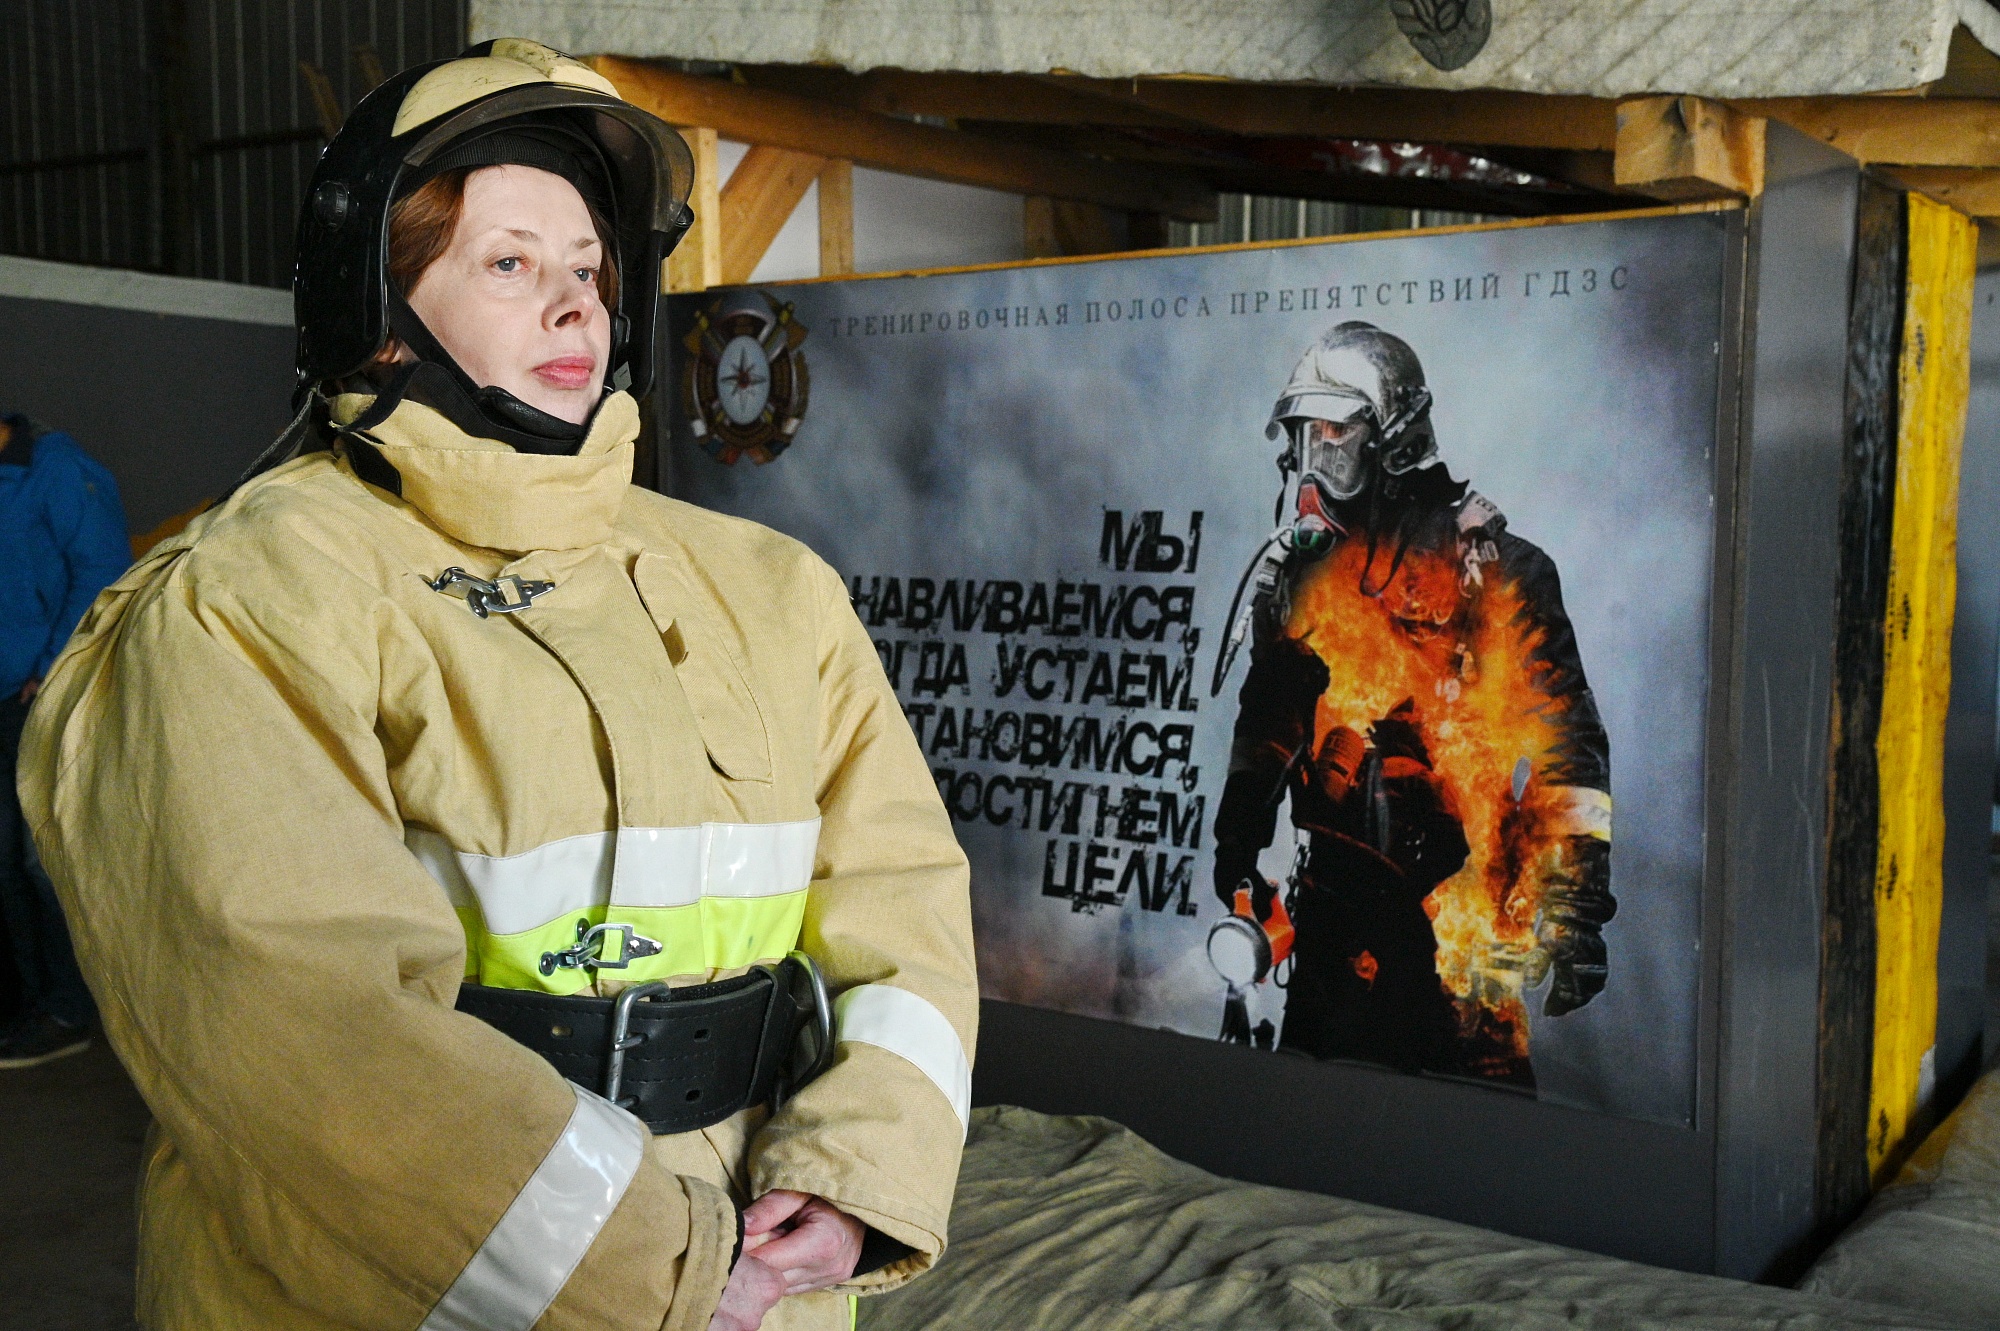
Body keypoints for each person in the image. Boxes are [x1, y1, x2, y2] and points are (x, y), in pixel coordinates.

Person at [20, 40, 975, 1331]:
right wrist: (668, 1275)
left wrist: (860, 1172)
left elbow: (905, 903)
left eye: (588, 267)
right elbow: (309, 1028)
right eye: (512, 264)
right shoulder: (251, 597)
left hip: (773, 1280)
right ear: (379, 305)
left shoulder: (769, 585)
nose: (577, 307)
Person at [1209, 321, 1611, 1087]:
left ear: (1394, 443)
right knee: (1309, 1133)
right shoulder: (1301, 578)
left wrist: (1575, 907)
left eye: (1335, 439)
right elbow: (1267, 726)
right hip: (1330, 939)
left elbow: (1568, 748)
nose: (1312, 468)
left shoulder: (1498, 573)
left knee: (1465, 1141)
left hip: (1458, 948)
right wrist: (1238, 854)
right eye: (1303, 440)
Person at [0, 409, 126, 1068]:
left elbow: (103, 573)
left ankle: (73, 1008)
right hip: (4, 698)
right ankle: (33, 1004)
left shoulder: (59, 470)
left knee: (40, 858)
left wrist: (50, 669)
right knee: (7, 863)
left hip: (41, 697)